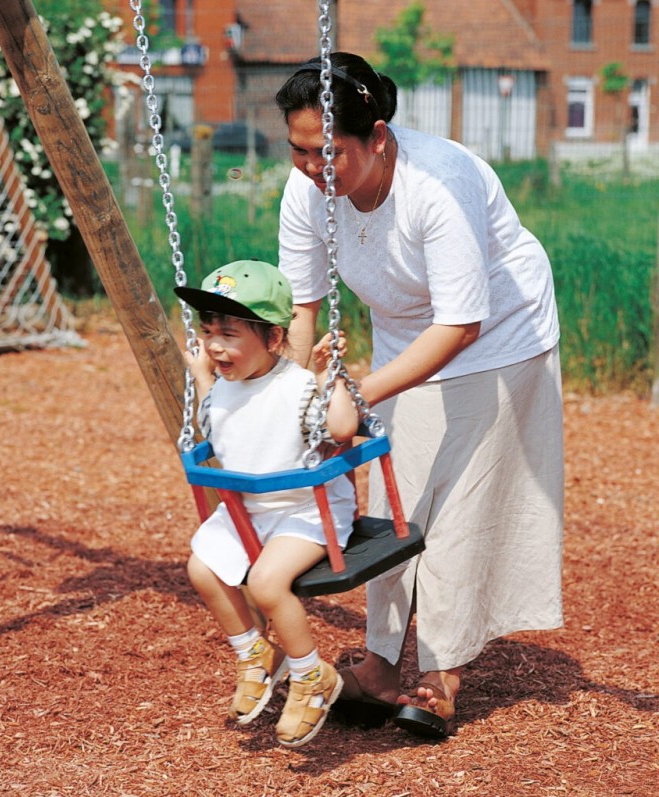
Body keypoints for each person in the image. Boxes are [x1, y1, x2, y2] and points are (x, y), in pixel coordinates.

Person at [274, 52, 564, 738]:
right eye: (297, 150)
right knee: (394, 493)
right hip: (408, 329)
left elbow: (462, 322)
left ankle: (439, 674)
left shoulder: (441, 182)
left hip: (500, 331)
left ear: (377, 137)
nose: (312, 168)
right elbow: (302, 309)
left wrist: (359, 390)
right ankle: (378, 662)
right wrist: (293, 401)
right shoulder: (306, 189)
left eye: (328, 153)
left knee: (458, 493)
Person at [175, 259, 360, 748]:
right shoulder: (222, 388)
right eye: (209, 331)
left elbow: (341, 430)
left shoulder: (297, 386)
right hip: (252, 510)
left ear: (274, 340)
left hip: (305, 508)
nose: (214, 345)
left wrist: (332, 375)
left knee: (266, 582)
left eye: (230, 334)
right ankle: (257, 654)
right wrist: (199, 376)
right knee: (201, 569)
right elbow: (215, 427)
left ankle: (309, 675)